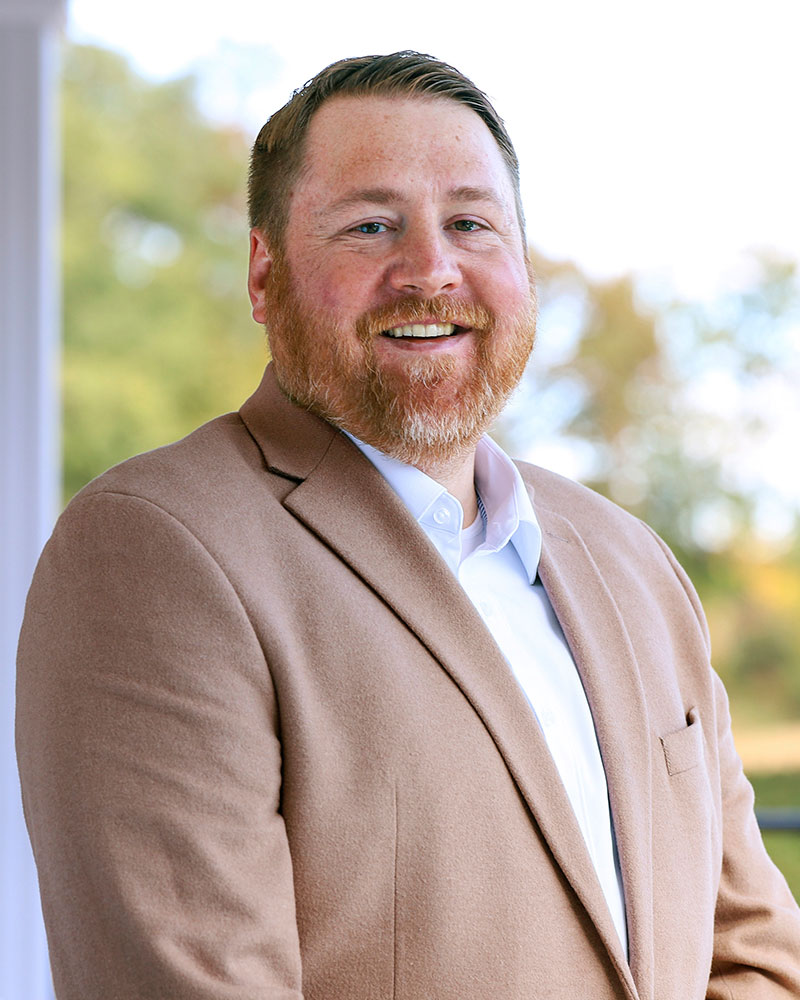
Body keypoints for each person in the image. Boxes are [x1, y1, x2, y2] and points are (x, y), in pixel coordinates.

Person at [16, 51, 800, 1000]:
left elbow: (756, 954)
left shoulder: (634, 560)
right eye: (371, 226)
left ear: (521, 266)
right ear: (265, 274)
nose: (430, 270)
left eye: (471, 223)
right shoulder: (153, 550)